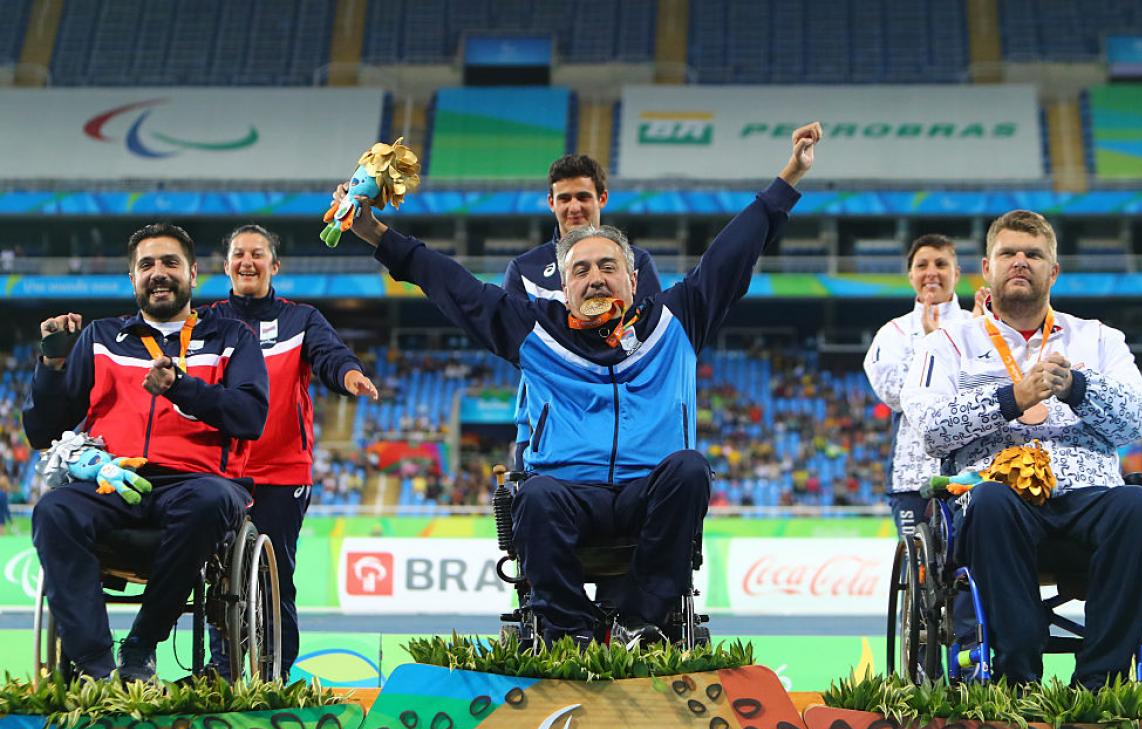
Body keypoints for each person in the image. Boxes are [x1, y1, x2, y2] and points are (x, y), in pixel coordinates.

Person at [337, 123, 822, 645]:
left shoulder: (677, 319)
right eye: (581, 270)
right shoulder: (533, 329)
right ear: (562, 287)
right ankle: (571, 632)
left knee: (689, 469)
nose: (595, 278)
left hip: (647, 489)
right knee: (535, 496)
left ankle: (639, 621)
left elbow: (736, 249)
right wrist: (374, 233)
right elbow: (447, 281)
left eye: (609, 267)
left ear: (634, 278)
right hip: (568, 490)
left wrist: (789, 177)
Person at [901, 210, 1142, 689]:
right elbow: (931, 429)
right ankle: (1018, 679)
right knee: (992, 502)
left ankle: (1100, 685)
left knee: (1138, 506)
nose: (1021, 262)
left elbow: (1140, 417)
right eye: (1008, 253)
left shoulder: (1099, 339)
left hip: (1089, 494)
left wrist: (1079, 388)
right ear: (987, 267)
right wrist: (1010, 399)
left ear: (1053, 271)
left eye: (1034, 254)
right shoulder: (946, 345)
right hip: (996, 494)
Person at [23, 223, 269, 681]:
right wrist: (53, 366)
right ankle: (95, 666)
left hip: (198, 485)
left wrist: (183, 388)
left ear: (193, 273)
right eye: (147, 265)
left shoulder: (233, 339)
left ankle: (140, 646)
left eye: (170, 263)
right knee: (54, 510)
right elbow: (43, 431)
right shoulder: (99, 339)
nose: (159, 273)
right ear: (131, 278)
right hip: (112, 481)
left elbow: (250, 417)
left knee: (211, 501)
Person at [207, 223, 377, 679]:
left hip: (282, 472)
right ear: (225, 267)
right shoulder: (206, 322)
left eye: (257, 254)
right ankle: (221, 671)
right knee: (215, 579)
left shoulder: (300, 319)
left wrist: (348, 375)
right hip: (219, 473)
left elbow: (330, 355)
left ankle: (276, 674)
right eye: (239, 253)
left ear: (274, 266)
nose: (247, 261)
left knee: (274, 577)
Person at [503, 154, 662, 470]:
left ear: (601, 198)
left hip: (628, 427)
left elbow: (648, 337)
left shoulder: (635, 263)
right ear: (551, 202)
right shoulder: (524, 271)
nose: (573, 207)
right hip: (546, 430)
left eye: (583, 197)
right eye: (564, 198)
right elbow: (516, 348)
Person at [864, 234, 981, 538]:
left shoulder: (979, 326)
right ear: (911, 275)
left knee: (971, 564)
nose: (932, 272)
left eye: (941, 264)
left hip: (973, 471)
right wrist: (934, 345)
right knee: (917, 567)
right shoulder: (892, 333)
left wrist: (981, 333)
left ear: (956, 274)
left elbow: (989, 389)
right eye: (922, 265)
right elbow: (893, 394)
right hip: (911, 476)